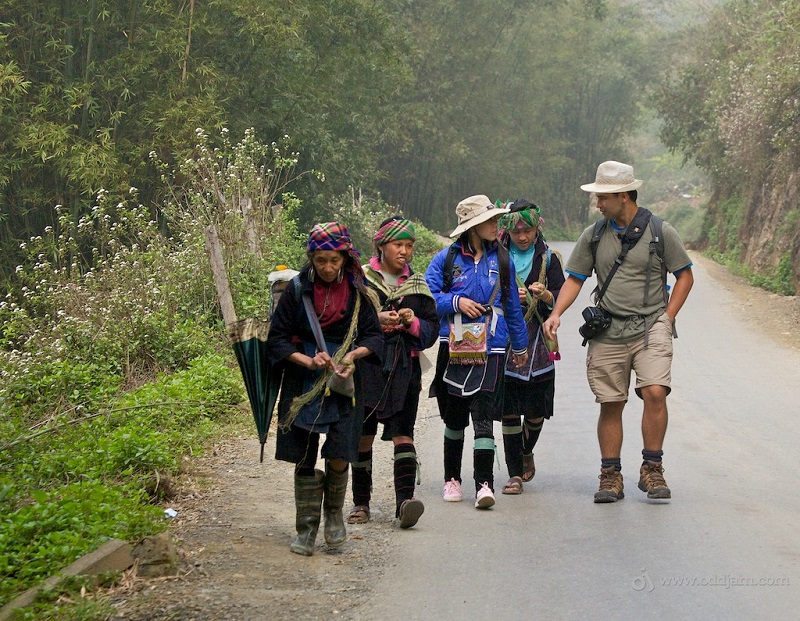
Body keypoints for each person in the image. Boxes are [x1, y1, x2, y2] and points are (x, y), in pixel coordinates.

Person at [542, 161, 694, 503]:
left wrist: (668, 317)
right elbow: (575, 279)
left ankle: (652, 468)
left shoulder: (660, 231)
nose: (598, 204)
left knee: (656, 392)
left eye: (603, 197)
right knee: (611, 402)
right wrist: (556, 313)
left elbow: (685, 275)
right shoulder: (594, 235)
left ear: (623, 195)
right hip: (608, 329)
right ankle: (610, 475)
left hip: (651, 325)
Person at [266, 222, 384, 555]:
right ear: (312, 258)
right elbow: (275, 339)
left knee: (339, 451)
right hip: (303, 380)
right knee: (304, 454)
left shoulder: (359, 291)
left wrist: (354, 354)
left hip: (344, 383)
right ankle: (305, 529)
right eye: (321, 261)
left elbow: (374, 336)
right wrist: (306, 360)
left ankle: (333, 515)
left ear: (345, 258)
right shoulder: (297, 290)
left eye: (334, 260)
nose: (328, 268)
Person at [425, 195, 529, 510]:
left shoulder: (503, 260)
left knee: (484, 417)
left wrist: (521, 345)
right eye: (491, 221)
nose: (497, 226)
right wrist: (456, 302)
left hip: (493, 347)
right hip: (453, 347)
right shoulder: (445, 260)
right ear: (473, 227)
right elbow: (428, 297)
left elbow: (512, 306)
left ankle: (484, 484)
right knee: (455, 417)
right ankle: (452, 480)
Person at [347, 216, 439, 529]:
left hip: (404, 368)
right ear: (381, 245)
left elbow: (430, 331)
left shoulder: (417, 284)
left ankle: (405, 502)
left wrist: (411, 322)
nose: (404, 251)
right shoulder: (360, 280)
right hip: (368, 366)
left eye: (409, 246)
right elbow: (347, 322)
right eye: (398, 245)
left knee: (404, 432)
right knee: (363, 435)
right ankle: (361, 503)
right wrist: (377, 319)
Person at [497, 200, 565, 495]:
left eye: (528, 230)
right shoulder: (497, 257)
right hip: (506, 339)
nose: (523, 237)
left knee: (536, 410)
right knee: (510, 408)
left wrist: (547, 294)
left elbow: (561, 297)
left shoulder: (549, 259)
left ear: (538, 228)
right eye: (517, 232)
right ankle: (513, 473)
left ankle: (526, 449)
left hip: (539, 340)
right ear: (508, 231)